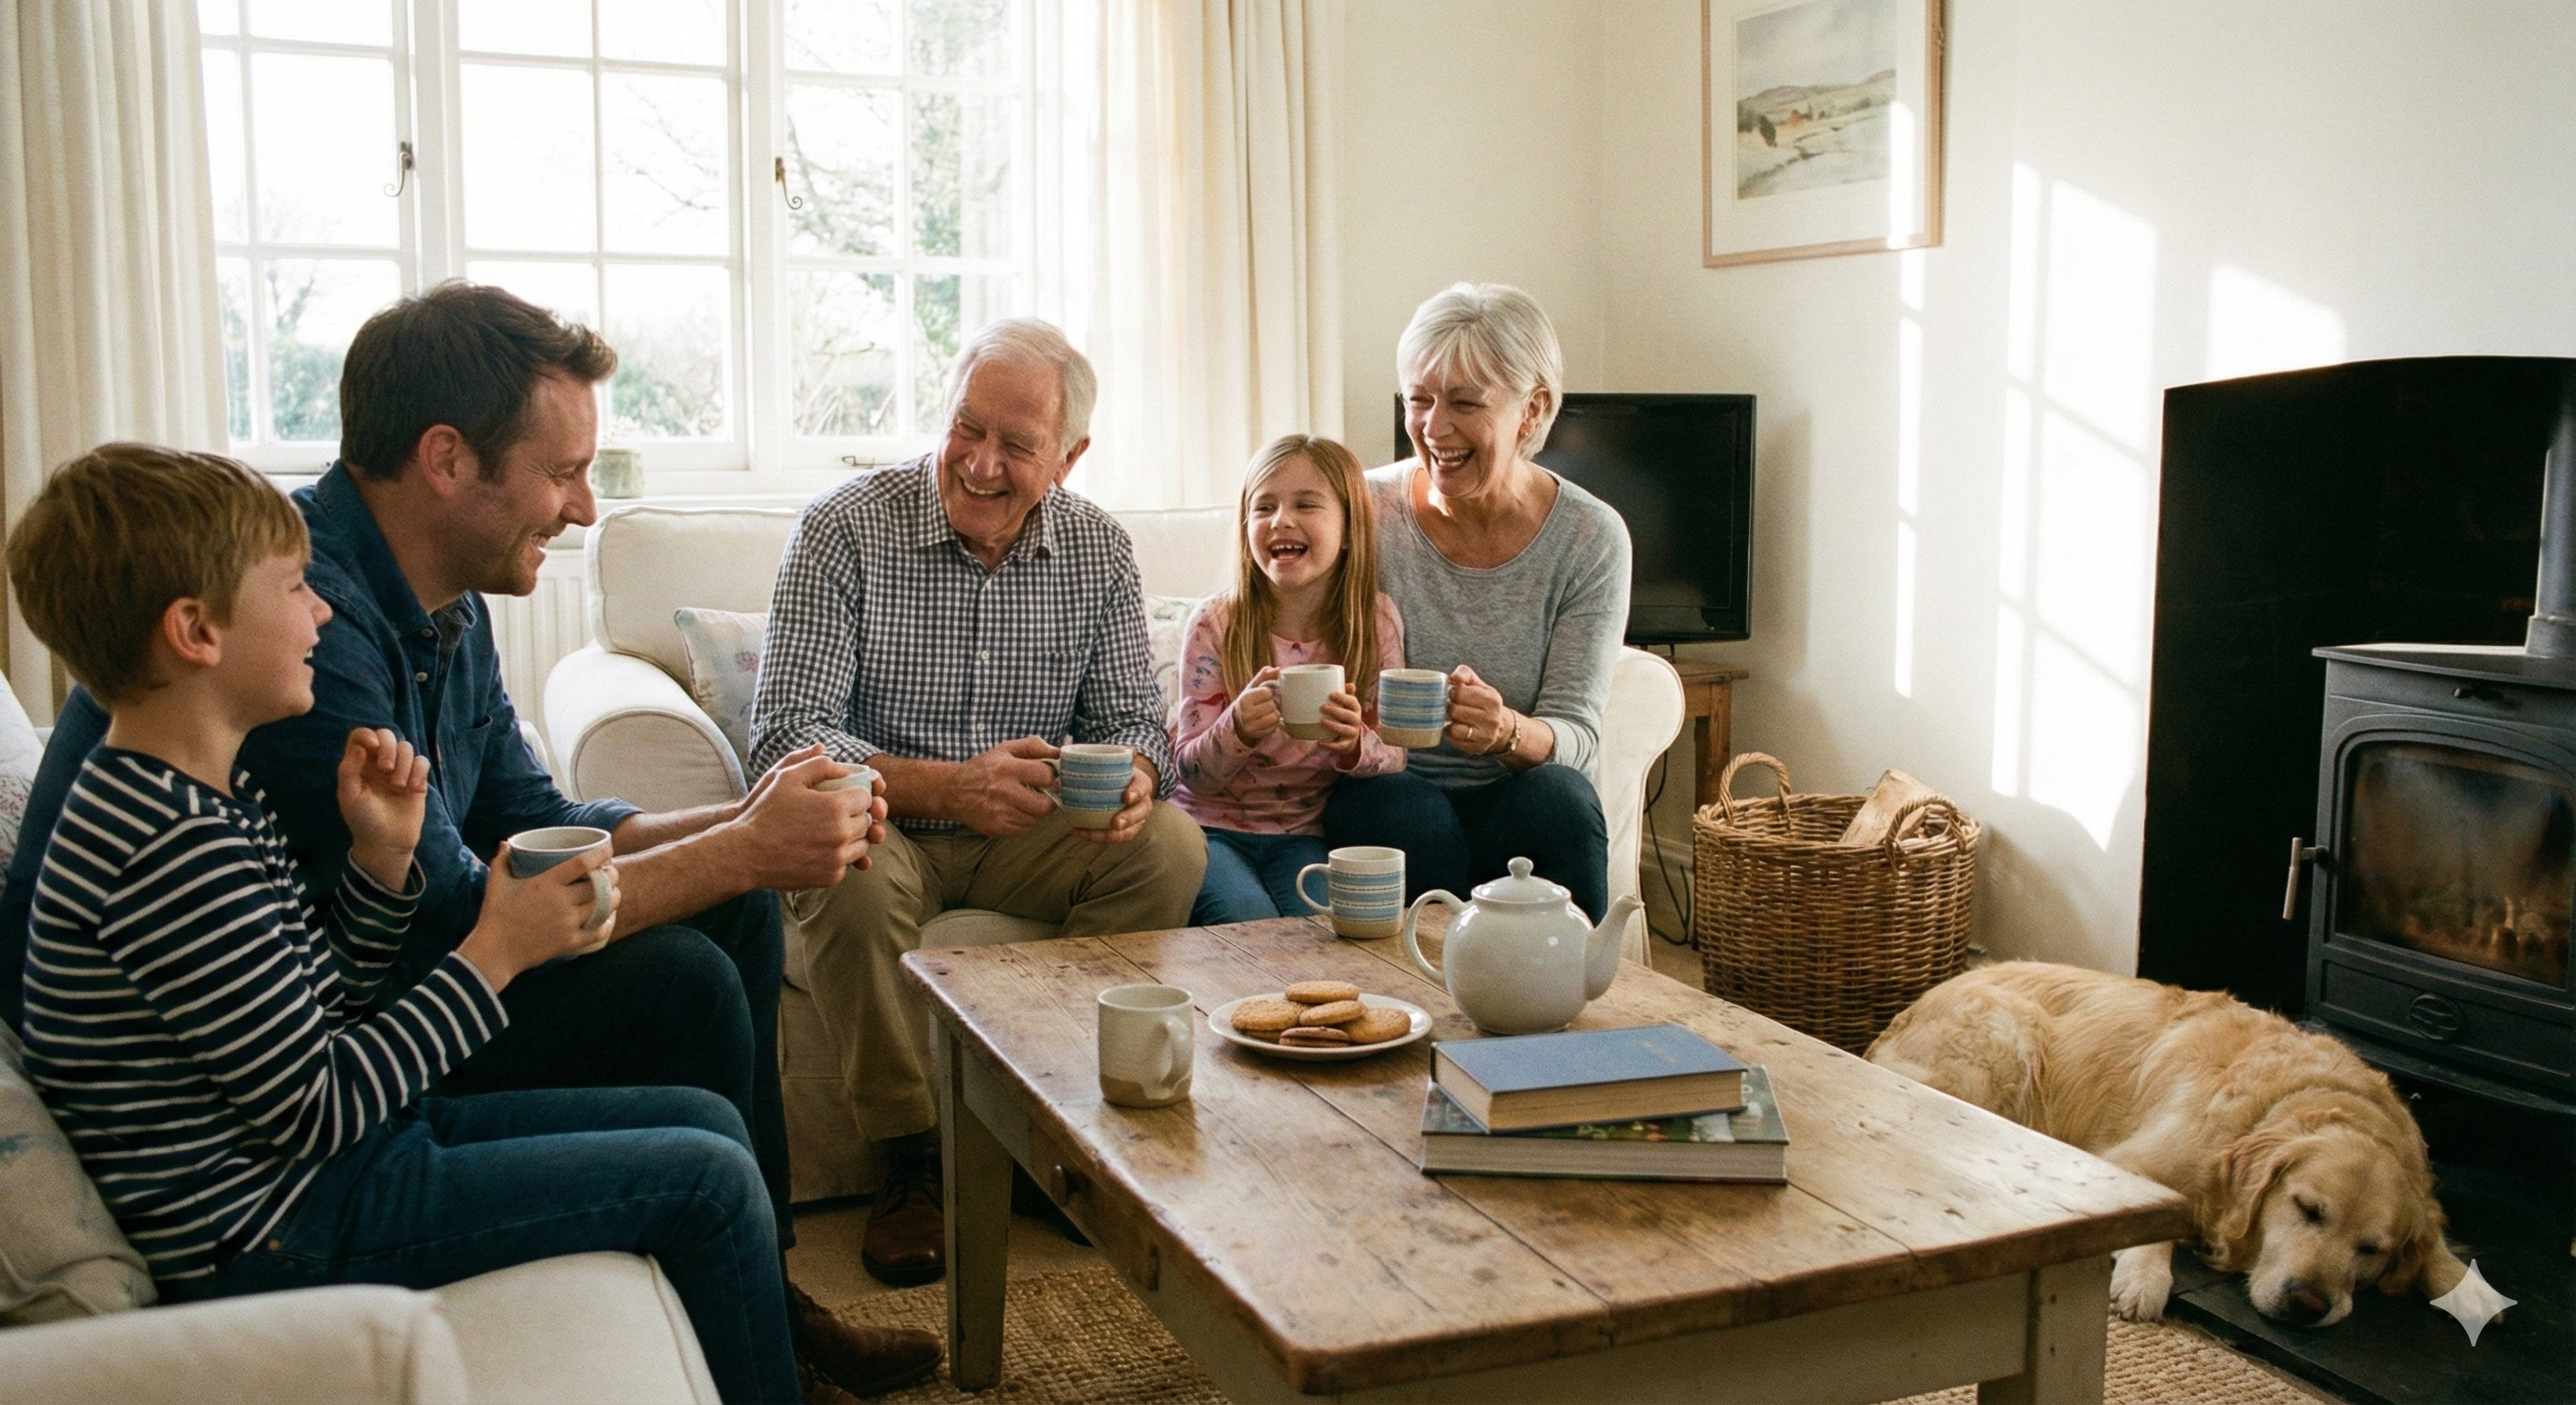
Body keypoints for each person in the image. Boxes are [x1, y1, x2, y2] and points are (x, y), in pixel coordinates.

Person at [0, 284, 939, 1398]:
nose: (586, 510)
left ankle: (760, 1313)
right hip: (290, 1171)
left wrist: (747, 818)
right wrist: (740, 852)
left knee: (719, 917)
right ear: (447, 460)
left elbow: (523, 824)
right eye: (562, 472)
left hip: (306, 1082)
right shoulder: (289, 678)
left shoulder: (411, 620)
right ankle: (749, 1320)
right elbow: (450, 933)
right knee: (685, 980)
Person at [753, 317, 1206, 1287]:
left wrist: (1134, 776)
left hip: (1027, 835)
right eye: (968, 429)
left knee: (1168, 849)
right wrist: (947, 786)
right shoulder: (844, 528)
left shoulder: (1098, 551)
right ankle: (907, 1159)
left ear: (1069, 457)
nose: (981, 463)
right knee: (848, 871)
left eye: (1017, 445)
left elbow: (1139, 723)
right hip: (892, 821)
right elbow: (788, 734)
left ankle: (1065, 1135)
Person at [1322, 283, 1634, 921]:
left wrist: (1506, 732)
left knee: (1561, 799)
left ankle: (1571, 998)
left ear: (1532, 408)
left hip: (1512, 800)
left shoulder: (1589, 537)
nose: (1435, 428)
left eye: (1464, 403)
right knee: (1397, 805)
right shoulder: (1362, 508)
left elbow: (1577, 735)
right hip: (1391, 794)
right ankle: (1410, 1002)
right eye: (1419, 400)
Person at [1169, 435, 1407, 923]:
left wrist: (1353, 744)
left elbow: (1396, 754)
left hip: (1302, 836)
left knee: (1317, 932)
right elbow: (1187, 769)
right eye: (1264, 507)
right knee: (1247, 919)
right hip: (1204, 831)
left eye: (1305, 504)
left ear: (1348, 530)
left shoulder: (1375, 623)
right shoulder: (1215, 623)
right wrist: (1236, 730)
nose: (1281, 519)